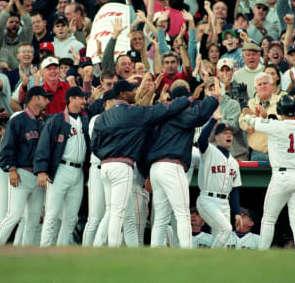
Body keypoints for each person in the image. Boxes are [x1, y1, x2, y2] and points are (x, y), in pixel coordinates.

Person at [91, 79, 192, 247]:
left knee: (117, 213)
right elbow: (163, 110)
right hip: (122, 166)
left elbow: (94, 145)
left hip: (105, 166)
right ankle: (111, 250)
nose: (134, 92)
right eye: (131, 90)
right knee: (117, 212)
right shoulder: (132, 112)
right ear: (122, 94)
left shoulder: (103, 116)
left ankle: (122, 251)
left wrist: (107, 155)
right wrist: (187, 100)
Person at [147, 84, 220, 249]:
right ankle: (187, 250)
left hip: (156, 168)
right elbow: (200, 115)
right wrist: (213, 97)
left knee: (161, 218)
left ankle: (155, 252)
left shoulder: (160, 114)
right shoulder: (178, 115)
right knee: (182, 214)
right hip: (171, 167)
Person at [241, 95, 295, 251]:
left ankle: (262, 254)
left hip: (283, 176)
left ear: (279, 110)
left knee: (269, 219)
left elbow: (249, 120)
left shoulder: (277, 126)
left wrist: (243, 103)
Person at [0, 86, 52, 246]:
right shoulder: (18, 120)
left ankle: (26, 254)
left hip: (39, 176)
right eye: (45, 97)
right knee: (13, 215)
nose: (48, 100)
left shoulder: (46, 121)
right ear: (35, 98)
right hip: (21, 173)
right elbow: (6, 149)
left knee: (33, 219)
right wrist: (11, 169)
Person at [34, 87, 91, 246]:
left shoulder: (84, 120)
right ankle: (45, 249)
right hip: (61, 170)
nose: (84, 102)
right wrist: (42, 170)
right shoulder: (58, 120)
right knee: (52, 214)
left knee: (71, 217)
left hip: (78, 171)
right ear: (71, 99)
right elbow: (43, 145)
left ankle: (63, 250)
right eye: (81, 98)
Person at [196, 113, 242, 248]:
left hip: (225, 203)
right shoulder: (209, 151)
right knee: (226, 229)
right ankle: (209, 258)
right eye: (224, 133)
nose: (229, 136)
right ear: (216, 137)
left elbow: (234, 190)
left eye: (230, 134)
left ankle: (213, 267)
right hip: (207, 199)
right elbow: (201, 140)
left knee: (223, 241)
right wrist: (213, 120)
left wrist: (237, 212)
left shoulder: (234, 162)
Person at [82, 89, 116, 247]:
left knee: (111, 213)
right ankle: (86, 250)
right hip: (97, 168)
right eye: (114, 102)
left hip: (112, 169)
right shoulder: (96, 119)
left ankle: (103, 249)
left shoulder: (119, 118)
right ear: (107, 103)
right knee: (95, 216)